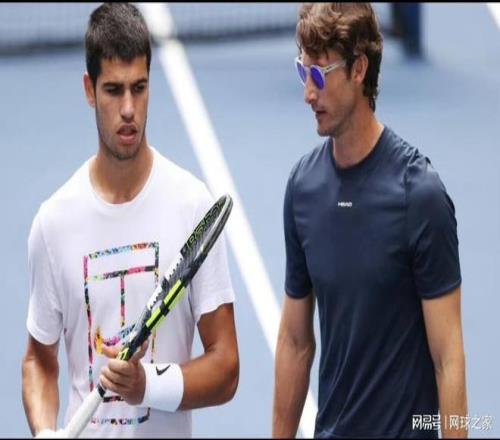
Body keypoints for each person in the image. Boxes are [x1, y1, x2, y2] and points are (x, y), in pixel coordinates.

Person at [22, 3, 239, 438]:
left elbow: (226, 367)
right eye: (113, 90)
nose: (128, 109)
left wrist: (148, 386)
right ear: (89, 90)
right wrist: (44, 431)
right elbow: (38, 361)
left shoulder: (191, 205)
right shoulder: (53, 224)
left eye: (139, 88)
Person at [273, 3, 466, 439]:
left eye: (319, 74)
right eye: (303, 72)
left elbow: (448, 358)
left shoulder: (420, 196)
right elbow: (295, 342)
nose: (308, 93)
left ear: (359, 69)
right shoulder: (302, 188)